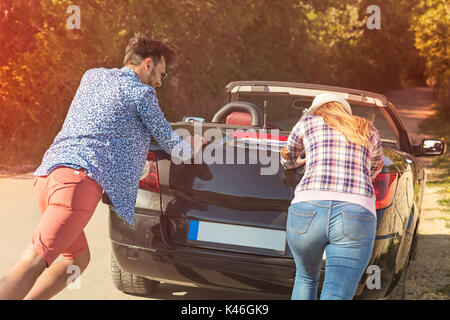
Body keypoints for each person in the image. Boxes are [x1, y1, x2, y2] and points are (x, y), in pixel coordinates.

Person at [0, 33, 204, 300]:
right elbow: (169, 141)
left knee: (75, 259)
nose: (159, 82)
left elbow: (109, 121)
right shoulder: (141, 93)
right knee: (33, 260)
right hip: (76, 185)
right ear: (148, 63)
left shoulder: (92, 76)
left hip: (46, 177)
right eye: (161, 74)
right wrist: (194, 147)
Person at [280, 92, 383, 300]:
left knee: (305, 278)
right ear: (346, 112)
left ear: (317, 111)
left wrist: (297, 163)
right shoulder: (366, 128)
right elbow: (373, 168)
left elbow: (287, 156)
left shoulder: (307, 122)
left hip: (307, 210)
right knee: (337, 293)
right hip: (355, 212)